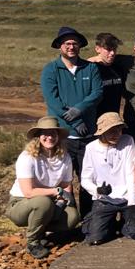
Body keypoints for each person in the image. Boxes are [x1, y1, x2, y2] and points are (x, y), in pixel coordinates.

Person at [40, 26, 103, 215]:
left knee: (88, 178)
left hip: (89, 136)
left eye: (75, 43)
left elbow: (97, 93)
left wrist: (79, 109)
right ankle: (68, 218)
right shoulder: (51, 69)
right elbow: (53, 101)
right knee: (63, 180)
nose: (71, 47)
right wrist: (75, 122)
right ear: (60, 46)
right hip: (62, 136)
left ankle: (89, 218)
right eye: (67, 43)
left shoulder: (90, 68)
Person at [7, 116, 81, 259]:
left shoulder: (64, 157)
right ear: (38, 136)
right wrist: (55, 192)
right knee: (42, 202)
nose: (49, 137)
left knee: (72, 217)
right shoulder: (27, 157)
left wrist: (64, 201)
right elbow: (28, 192)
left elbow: (66, 185)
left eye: (53, 133)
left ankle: (41, 233)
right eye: (45, 134)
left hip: (50, 201)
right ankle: (33, 242)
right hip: (21, 202)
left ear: (58, 136)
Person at [79, 112, 135, 245]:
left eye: (119, 130)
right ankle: (107, 223)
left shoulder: (127, 141)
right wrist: (97, 190)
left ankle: (124, 223)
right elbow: (85, 179)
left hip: (125, 197)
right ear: (102, 132)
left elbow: (130, 173)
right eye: (111, 131)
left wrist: (132, 202)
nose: (117, 134)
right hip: (105, 199)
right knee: (96, 238)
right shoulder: (91, 148)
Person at [89, 33, 126, 117]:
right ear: (98, 49)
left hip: (113, 118)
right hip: (95, 119)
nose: (112, 53)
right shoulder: (90, 68)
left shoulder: (118, 66)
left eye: (115, 49)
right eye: (108, 49)